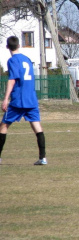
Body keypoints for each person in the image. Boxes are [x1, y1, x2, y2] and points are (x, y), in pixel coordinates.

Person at [0, 36, 47, 165]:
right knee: (36, 126)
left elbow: (12, 79)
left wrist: (5, 99)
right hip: (31, 98)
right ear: (19, 45)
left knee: (3, 125)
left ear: (7, 47)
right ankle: (43, 158)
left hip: (18, 100)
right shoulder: (27, 59)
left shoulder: (12, 60)